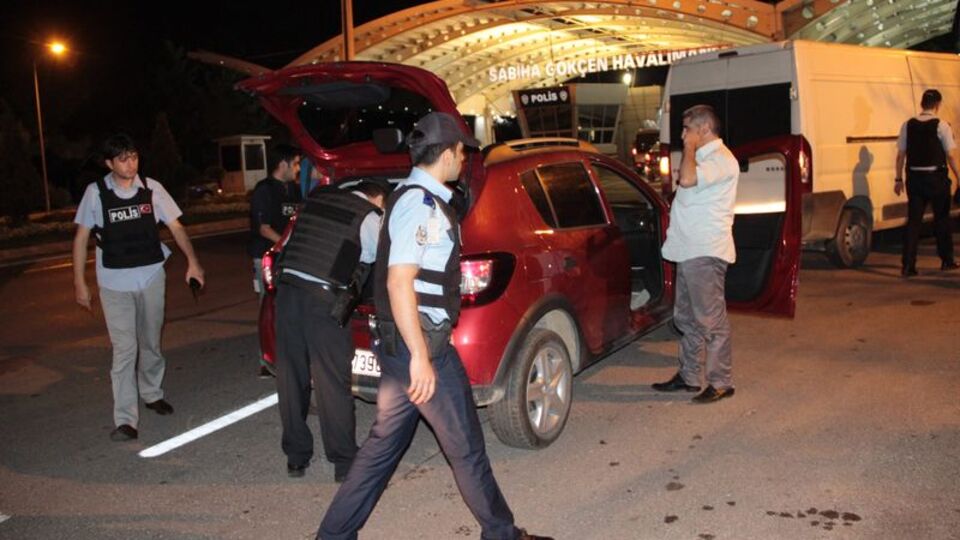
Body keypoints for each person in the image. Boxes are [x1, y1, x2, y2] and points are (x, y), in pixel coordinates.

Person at [317, 113, 551, 540]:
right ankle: (502, 534)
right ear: (446, 153)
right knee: (467, 450)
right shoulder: (420, 206)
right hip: (420, 348)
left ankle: (333, 536)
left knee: (382, 448)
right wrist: (422, 359)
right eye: (462, 151)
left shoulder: (408, 197)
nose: (464, 159)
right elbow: (398, 280)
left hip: (402, 346)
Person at [72, 133, 205, 441]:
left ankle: (152, 392)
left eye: (134, 157)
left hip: (150, 276)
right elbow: (81, 238)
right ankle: (125, 420)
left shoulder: (152, 188)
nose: (130, 163)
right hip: (114, 281)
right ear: (109, 163)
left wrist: (193, 262)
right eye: (123, 159)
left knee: (150, 342)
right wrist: (80, 282)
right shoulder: (96, 193)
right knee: (124, 350)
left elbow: (176, 227)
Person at [273, 179, 389, 482]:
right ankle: (343, 462)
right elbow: (390, 264)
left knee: (290, 377)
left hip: (286, 295)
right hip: (322, 302)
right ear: (379, 199)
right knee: (331, 382)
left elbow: (286, 248)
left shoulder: (315, 203)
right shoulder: (369, 217)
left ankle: (296, 458)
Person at [652, 104, 739, 404]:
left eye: (687, 129)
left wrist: (688, 149)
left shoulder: (721, 160)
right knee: (686, 319)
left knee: (710, 322)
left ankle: (721, 382)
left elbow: (686, 180)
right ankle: (689, 376)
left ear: (703, 130)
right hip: (689, 251)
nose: (682, 135)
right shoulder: (703, 158)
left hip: (706, 251)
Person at [249, 143, 303, 376]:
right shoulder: (264, 190)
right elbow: (263, 228)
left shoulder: (293, 189)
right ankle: (265, 360)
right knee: (267, 307)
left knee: (288, 306)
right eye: (296, 163)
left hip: (288, 256)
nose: (299, 168)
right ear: (284, 164)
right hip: (266, 257)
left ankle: (287, 352)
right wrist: (286, 244)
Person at [894, 88, 960, 276]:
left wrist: (898, 178)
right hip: (936, 179)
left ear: (922, 104)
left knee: (913, 222)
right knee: (941, 220)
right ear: (937, 105)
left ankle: (908, 265)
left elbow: (900, 155)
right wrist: (958, 177)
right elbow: (951, 156)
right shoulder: (942, 126)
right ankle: (946, 260)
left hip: (914, 179)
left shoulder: (908, 125)